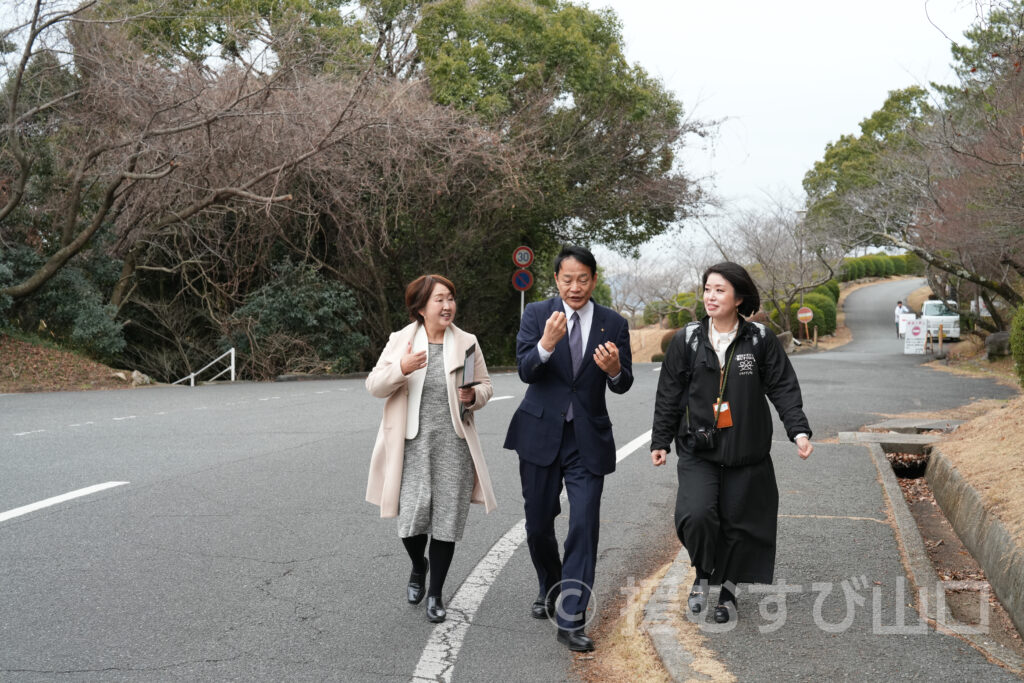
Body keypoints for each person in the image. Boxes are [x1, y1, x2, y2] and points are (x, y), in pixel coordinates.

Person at [650, 262, 813, 625]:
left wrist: (798, 432)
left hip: (746, 451)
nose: (710, 296)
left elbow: (783, 388)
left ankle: (728, 591)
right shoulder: (687, 339)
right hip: (698, 449)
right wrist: (660, 439)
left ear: (739, 297)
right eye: (707, 288)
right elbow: (669, 394)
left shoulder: (759, 340)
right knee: (695, 515)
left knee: (739, 525)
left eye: (719, 290)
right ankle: (703, 573)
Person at [504, 245, 633, 652]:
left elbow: (623, 380)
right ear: (556, 280)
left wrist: (614, 371)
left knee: (583, 524)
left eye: (583, 279)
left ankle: (571, 616)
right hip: (540, 434)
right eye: (567, 279)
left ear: (594, 280)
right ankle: (551, 581)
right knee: (538, 525)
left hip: (587, 439)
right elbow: (526, 369)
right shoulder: (537, 315)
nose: (575, 287)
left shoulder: (613, 323)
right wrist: (544, 344)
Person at [366, 274, 497, 624]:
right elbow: (374, 385)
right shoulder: (400, 341)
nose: (447, 305)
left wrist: (474, 396)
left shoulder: (467, 342)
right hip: (411, 446)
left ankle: (436, 593)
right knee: (409, 522)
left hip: (454, 445)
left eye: (450, 298)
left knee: (446, 523)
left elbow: (485, 385)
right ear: (420, 307)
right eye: (439, 299)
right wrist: (401, 368)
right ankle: (417, 564)